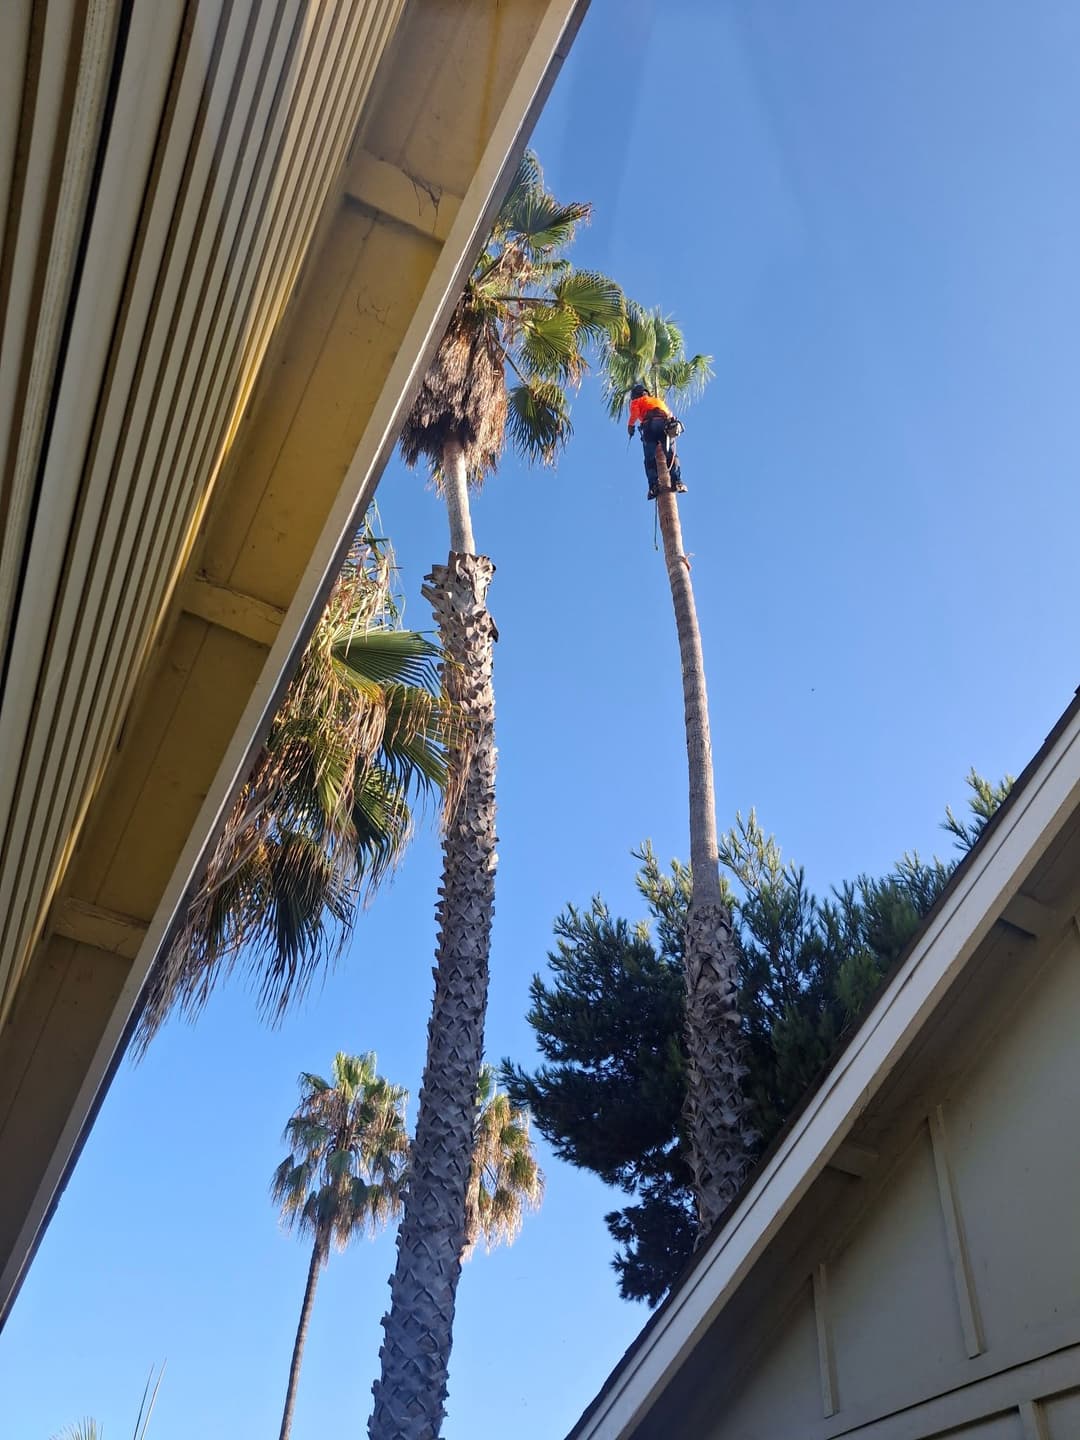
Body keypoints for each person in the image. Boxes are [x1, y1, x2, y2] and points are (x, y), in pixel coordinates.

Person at [627, 382, 687, 500]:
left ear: (636, 395)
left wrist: (630, 426)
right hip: (664, 425)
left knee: (649, 459)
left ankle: (654, 486)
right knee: (670, 454)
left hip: (649, 427)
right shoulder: (658, 401)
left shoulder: (637, 401)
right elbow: (670, 415)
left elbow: (635, 413)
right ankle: (677, 482)